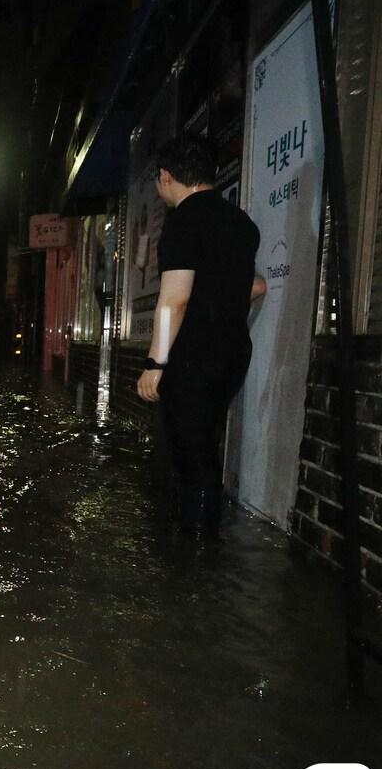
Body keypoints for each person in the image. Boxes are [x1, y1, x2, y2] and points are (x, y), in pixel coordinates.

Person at [136, 135, 267, 539]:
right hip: (233, 352)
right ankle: (192, 543)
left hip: (192, 356)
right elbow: (257, 285)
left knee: (192, 459)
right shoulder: (241, 224)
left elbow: (173, 301)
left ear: (166, 176)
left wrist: (155, 363)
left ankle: (195, 552)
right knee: (202, 444)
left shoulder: (183, 221)